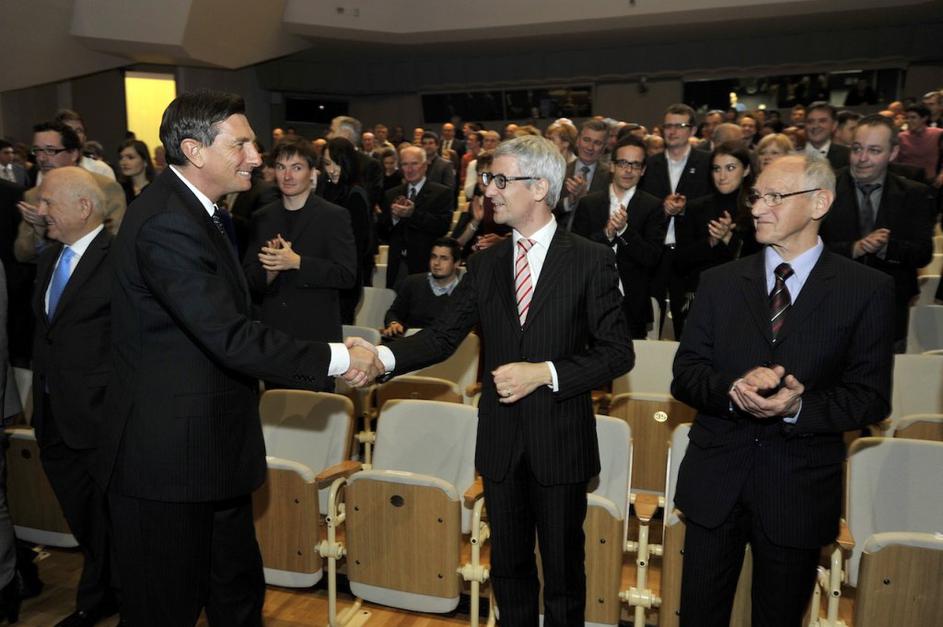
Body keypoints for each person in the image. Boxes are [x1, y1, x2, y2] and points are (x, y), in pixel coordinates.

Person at [103, 90, 381, 627]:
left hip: (211, 449)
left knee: (235, 592)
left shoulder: (206, 214)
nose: (257, 157)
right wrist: (335, 357)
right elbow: (229, 335)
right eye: (243, 145)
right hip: (172, 461)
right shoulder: (166, 222)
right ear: (195, 150)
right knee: (167, 606)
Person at [353, 135, 634, 627]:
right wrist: (381, 358)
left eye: (501, 180)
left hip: (560, 440)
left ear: (540, 187)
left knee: (564, 574)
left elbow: (617, 352)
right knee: (508, 569)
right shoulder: (486, 262)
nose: (489, 191)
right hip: (501, 440)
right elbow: (442, 337)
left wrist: (545, 373)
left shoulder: (589, 258)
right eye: (487, 179)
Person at [672, 153, 895, 627]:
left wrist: (797, 407)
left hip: (798, 489)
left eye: (775, 197)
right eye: (757, 196)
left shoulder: (866, 289)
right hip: (715, 483)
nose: (757, 208)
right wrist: (733, 388)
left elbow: (870, 397)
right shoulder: (719, 282)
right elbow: (686, 373)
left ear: (819, 203)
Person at [29, 167, 121, 627]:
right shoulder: (49, 258)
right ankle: (104, 593)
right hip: (53, 416)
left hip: (99, 418)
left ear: (83, 207)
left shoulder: (119, 259)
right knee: (83, 517)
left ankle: (106, 598)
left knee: (110, 519)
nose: (40, 210)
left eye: (49, 202)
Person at [242, 137, 357, 391]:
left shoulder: (333, 216)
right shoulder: (263, 217)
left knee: (315, 409)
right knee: (276, 407)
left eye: (296, 167)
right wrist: (271, 270)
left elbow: (347, 275)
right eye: (281, 167)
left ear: (312, 171)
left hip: (316, 333)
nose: (288, 176)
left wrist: (298, 263)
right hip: (275, 335)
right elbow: (250, 279)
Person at [820, 114, 936, 351]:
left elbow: (923, 253)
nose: (862, 158)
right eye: (857, 149)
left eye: (874, 151)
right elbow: (807, 248)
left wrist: (886, 248)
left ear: (893, 153)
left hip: (889, 310)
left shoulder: (914, 193)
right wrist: (854, 248)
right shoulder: (825, 189)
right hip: (831, 305)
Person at [571, 135, 665, 338]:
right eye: (623, 163)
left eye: (635, 165)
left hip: (632, 304)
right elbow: (576, 253)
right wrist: (606, 234)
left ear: (643, 170)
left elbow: (652, 257)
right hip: (590, 300)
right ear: (612, 166)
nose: (628, 170)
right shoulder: (589, 203)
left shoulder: (653, 206)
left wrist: (624, 231)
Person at [641, 104, 712, 339]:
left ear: (692, 130)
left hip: (690, 254)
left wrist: (684, 208)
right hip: (656, 252)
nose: (672, 131)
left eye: (679, 126)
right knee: (651, 321)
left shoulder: (706, 163)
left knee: (689, 325)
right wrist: (661, 208)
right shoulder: (651, 164)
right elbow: (642, 205)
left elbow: (710, 204)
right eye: (668, 126)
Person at [15, 121, 126, 263]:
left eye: (50, 150)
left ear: (73, 154)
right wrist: (40, 230)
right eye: (37, 150)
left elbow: (115, 244)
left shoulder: (104, 188)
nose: (41, 158)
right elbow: (22, 254)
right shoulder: (34, 195)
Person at [676, 142, 754, 299]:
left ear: (746, 170)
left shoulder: (757, 209)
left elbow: (760, 261)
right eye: (716, 169)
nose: (722, 176)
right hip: (701, 294)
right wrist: (711, 242)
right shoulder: (696, 207)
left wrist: (728, 238)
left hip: (744, 295)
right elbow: (679, 261)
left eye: (730, 168)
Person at [378, 145, 453, 288]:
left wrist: (413, 214)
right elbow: (382, 233)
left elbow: (442, 227)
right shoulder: (391, 194)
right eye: (405, 164)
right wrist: (394, 218)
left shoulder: (441, 193)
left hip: (426, 265)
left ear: (425, 166)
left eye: (414, 164)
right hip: (397, 266)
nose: (409, 169)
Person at [318, 136, 372, 321]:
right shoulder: (326, 190)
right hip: (325, 276)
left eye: (338, 163)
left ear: (348, 163)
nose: (332, 170)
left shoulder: (355, 195)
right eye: (327, 163)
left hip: (344, 280)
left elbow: (359, 246)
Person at [380, 238, 462, 337]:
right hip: (408, 341)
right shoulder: (413, 282)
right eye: (434, 257)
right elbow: (393, 313)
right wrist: (394, 323)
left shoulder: (463, 293)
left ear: (456, 263)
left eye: (444, 258)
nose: (436, 263)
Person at [451, 151, 511, 258]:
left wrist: (501, 242)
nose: (483, 179)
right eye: (480, 174)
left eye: (488, 175)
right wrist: (476, 221)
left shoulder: (511, 202)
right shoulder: (475, 202)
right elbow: (458, 242)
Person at [555, 119, 611, 229]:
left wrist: (585, 198)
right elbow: (549, 209)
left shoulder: (610, 176)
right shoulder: (559, 171)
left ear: (604, 147)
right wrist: (571, 200)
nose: (590, 147)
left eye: (597, 143)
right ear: (577, 141)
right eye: (586, 140)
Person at [803, 102, 850, 171]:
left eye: (822, 121)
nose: (815, 126)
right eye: (810, 121)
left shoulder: (847, 155)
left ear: (834, 125)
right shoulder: (792, 154)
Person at [116, 139, 155, 204]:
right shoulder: (120, 189)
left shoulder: (157, 189)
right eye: (121, 158)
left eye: (130, 157)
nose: (123, 162)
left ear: (145, 161)